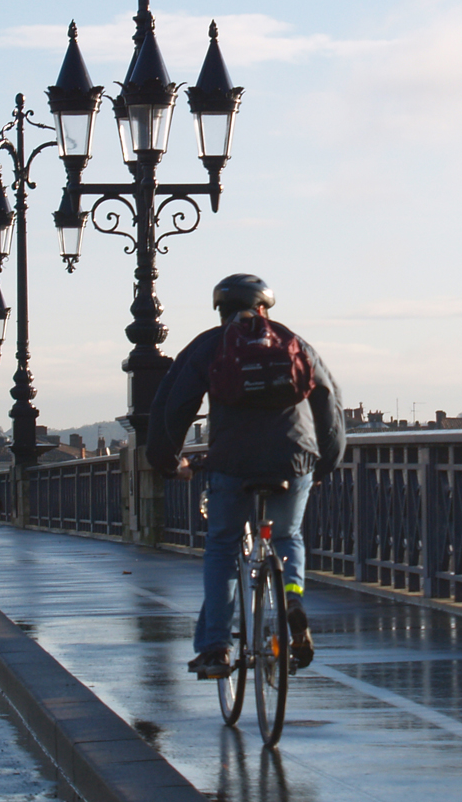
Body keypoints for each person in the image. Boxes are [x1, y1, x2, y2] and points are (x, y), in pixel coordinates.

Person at [147, 273, 344, 679]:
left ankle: (217, 649)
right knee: (287, 536)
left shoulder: (211, 344)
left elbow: (175, 404)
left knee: (223, 544)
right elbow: (329, 402)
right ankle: (292, 597)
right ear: (265, 308)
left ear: (221, 310)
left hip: (232, 462)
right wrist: (324, 464)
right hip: (295, 459)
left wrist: (169, 461)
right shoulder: (293, 341)